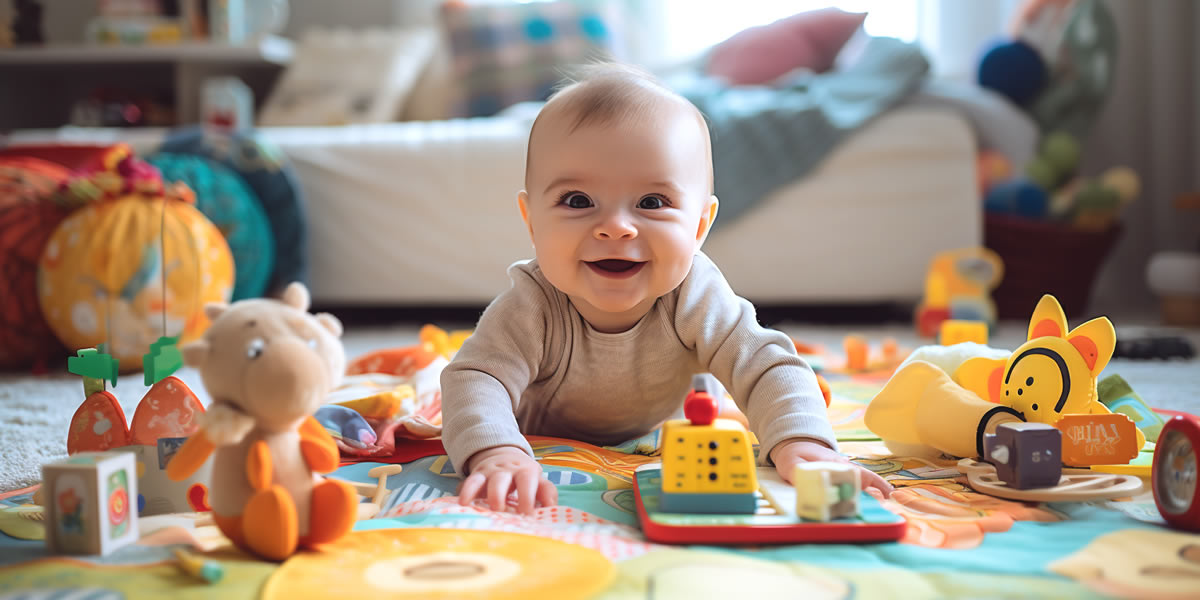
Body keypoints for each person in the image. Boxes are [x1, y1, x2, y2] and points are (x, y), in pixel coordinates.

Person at [441, 63, 893, 514]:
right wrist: (496, 450)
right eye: (578, 201)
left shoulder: (696, 294)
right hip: (546, 437)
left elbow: (768, 365)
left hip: (671, 437)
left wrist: (803, 442)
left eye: (651, 203)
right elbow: (476, 378)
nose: (615, 228)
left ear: (699, 227)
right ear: (531, 222)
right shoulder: (532, 303)